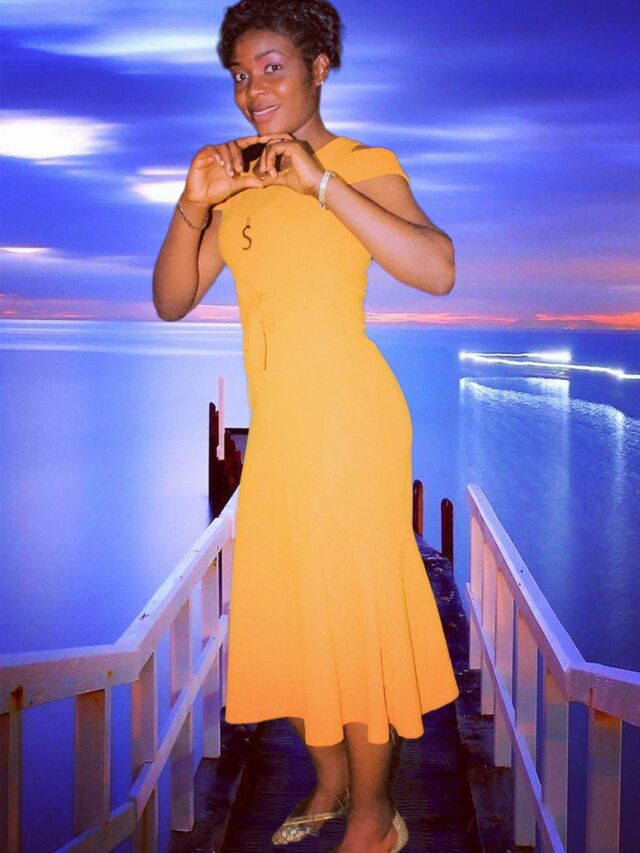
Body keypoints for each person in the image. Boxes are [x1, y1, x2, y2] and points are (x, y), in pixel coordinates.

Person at [152, 1, 459, 850]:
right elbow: (172, 299)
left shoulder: (360, 164)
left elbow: (437, 268)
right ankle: (329, 780)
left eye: (272, 67)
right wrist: (193, 203)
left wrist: (320, 184)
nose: (253, 90)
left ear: (319, 68)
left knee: (353, 617)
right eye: (240, 74)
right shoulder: (238, 181)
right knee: (286, 611)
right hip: (281, 432)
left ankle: (374, 815)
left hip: (351, 425)